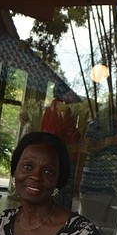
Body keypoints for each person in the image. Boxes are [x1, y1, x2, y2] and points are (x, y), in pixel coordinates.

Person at [40, 81, 82, 210]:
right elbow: (70, 137)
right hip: (63, 159)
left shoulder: (51, 109)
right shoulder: (62, 110)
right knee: (60, 199)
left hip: (52, 157)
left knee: (53, 197)